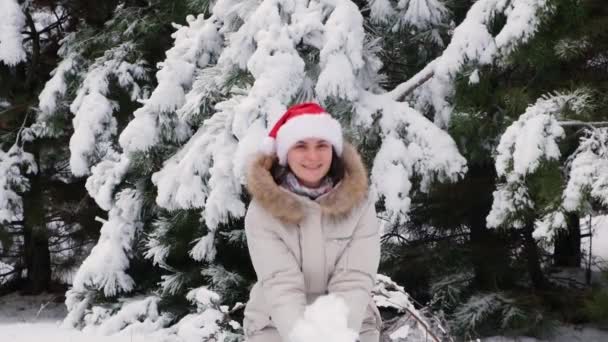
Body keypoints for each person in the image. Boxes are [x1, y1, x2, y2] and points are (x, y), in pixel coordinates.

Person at [243, 102, 382, 342]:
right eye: (300, 146)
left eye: (321, 145)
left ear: (333, 150)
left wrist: (338, 336)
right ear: (286, 153)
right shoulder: (262, 211)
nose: (313, 156)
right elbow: (281, 285)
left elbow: (354, 279)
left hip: (350, 323)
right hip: (276, 323)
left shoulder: (360, 203)